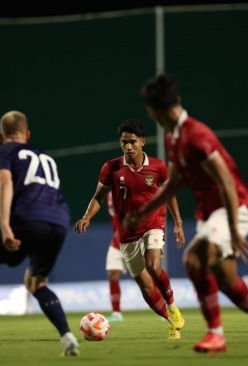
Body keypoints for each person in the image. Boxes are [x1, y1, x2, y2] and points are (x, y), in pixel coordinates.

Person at [126, 74, 248, 353]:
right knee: (227, 279)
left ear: (154, 110)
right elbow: (174, 184)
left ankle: (215, 334)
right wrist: (143, 211)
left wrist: (233, 228)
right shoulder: (174, 139)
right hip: (210, 213)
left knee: (195, 258)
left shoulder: (197, 136)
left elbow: (227, 182)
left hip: (233, 207)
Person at [0, 111, 79, 360]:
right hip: (59, 223)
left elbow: (5, 182)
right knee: (36, 282)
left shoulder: (3, 152)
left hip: (28, 220)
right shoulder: (45, 156)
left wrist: (5, 225)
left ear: (2, 135)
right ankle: (68, 338)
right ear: (28, 134)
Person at [74, 119, 187, 339]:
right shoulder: (111, 167)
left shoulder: (158, 167)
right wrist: (87, 216)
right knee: (144, 284)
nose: (128, 146)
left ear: (142, 142)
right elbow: (98, 197)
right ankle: (170, 320)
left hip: (153, 224)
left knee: (153, 266)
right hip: (127, 234)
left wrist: (179, 224)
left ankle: (172, 305)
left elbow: (169, 194)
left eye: (132, 142)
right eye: (124, 142)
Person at [105, 191, 126, 322]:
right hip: (117, 242)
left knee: (150, 275)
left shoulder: (135, 190)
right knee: (113, 274)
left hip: (136, 241)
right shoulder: (111, 195)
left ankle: (166, 308)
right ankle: (116, 312)